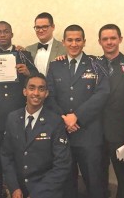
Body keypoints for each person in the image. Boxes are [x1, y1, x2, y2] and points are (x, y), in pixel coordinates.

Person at [46, 24, 110, 198]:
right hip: (63, 133)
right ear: (64, 42)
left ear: (84, 42)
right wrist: (64, 118)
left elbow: (103, 93)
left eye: (78, 40)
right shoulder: (55, 66)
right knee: (66, 182)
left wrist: (77, 117)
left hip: (89, 133)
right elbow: (49, 96)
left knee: (94, 181)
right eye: (70, 40)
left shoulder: (96, 64)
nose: (74, 44)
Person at [0, 21, 38, 198]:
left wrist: (28, 73)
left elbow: (37, 79)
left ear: (11, 34)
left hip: (18, 115)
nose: (2, 35)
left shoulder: (24, 54)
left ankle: (20, 192)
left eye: (6, 32)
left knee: (19, 157)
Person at [1, 73, 72, 198]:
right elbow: (6, 156)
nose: (36, 93)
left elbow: (62, 165)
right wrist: (14, 188)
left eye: (41, 89)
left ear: (47, 93)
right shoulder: (12, 118)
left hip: (46, 191)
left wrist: (38, 194)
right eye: (32, 88)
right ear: (24, 91)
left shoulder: (55, 122)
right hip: (19, 191)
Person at [98, 24, 124, 198]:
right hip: (95, 130)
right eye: (105, 39)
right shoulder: (93, 64)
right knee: (98, 171)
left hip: (120, 129)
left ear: (120, 39)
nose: (109, 42)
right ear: (99, 42)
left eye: (113, 38)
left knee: (122, 173)